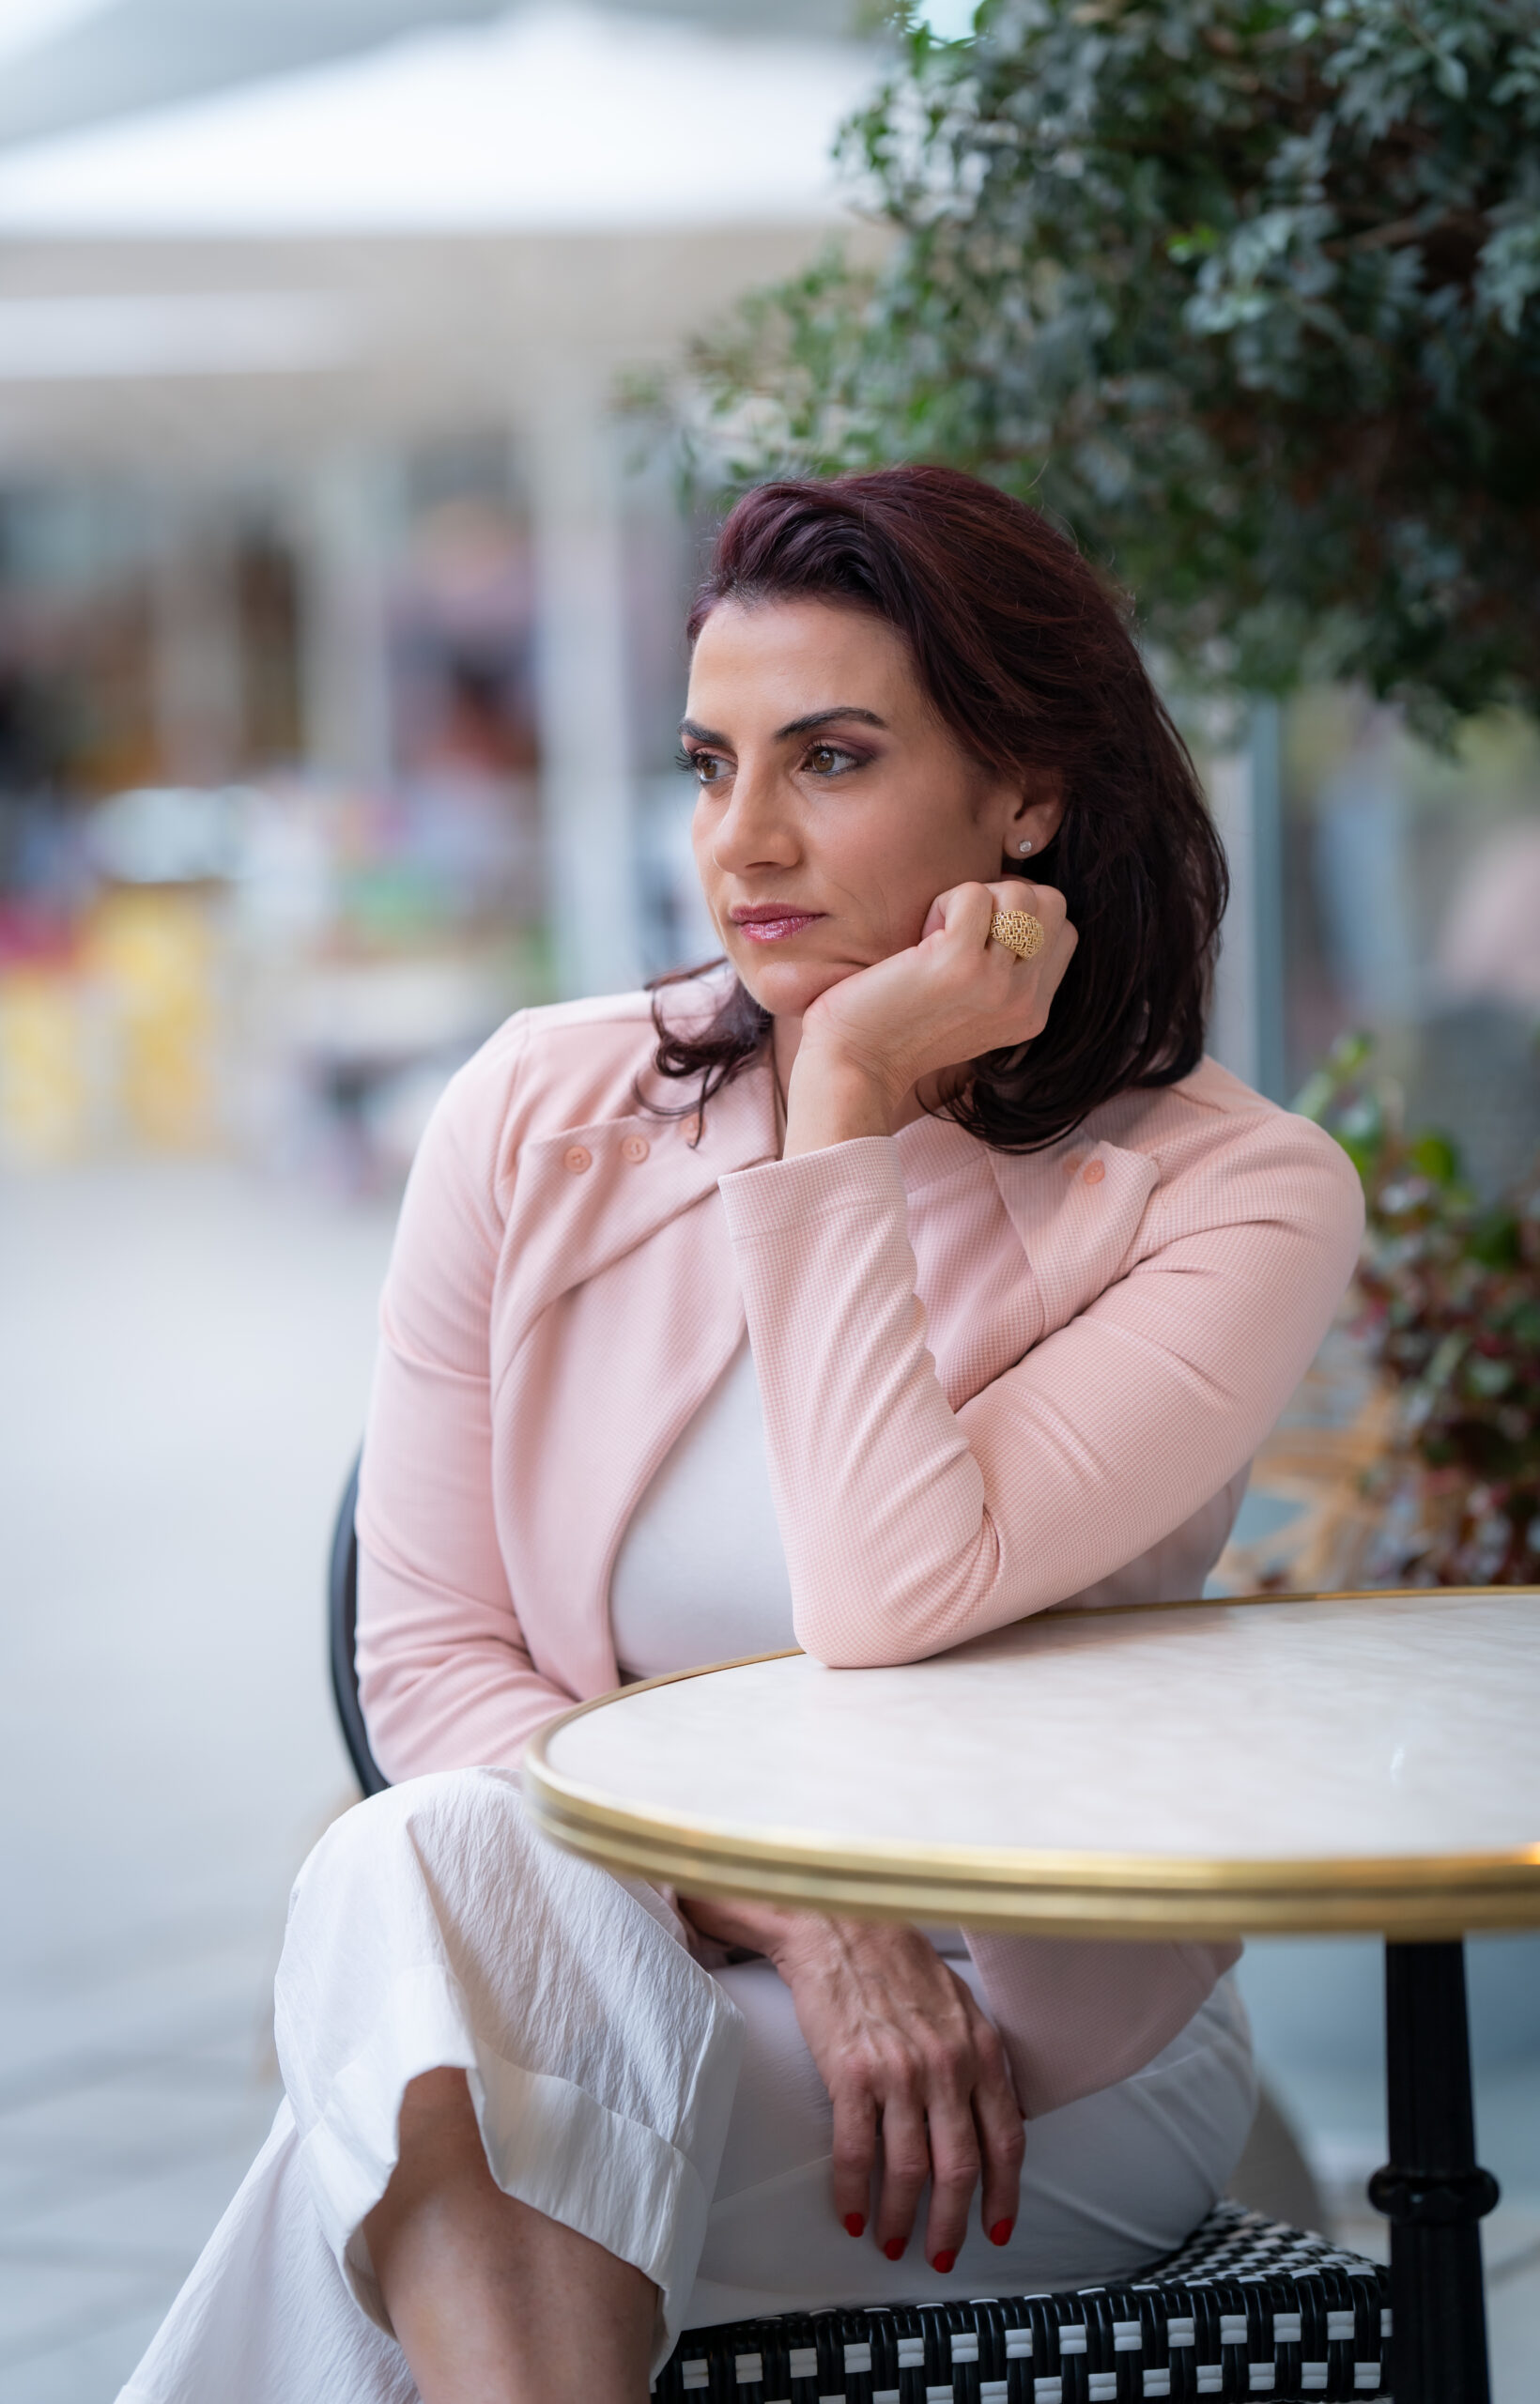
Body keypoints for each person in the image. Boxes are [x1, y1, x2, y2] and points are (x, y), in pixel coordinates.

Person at [121, 467, 1363, 2404]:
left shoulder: (1229, 1195)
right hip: (612, 1963)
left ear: (1027, 796)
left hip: (1010, 2073)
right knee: (432, 1889)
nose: (742, 839)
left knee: (416, 2050)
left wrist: (843, 1098)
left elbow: (889, 1590)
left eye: (831, 759)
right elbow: (428, 1662)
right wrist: (788, 1913)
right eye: (710, 763)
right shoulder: (536, 1109)